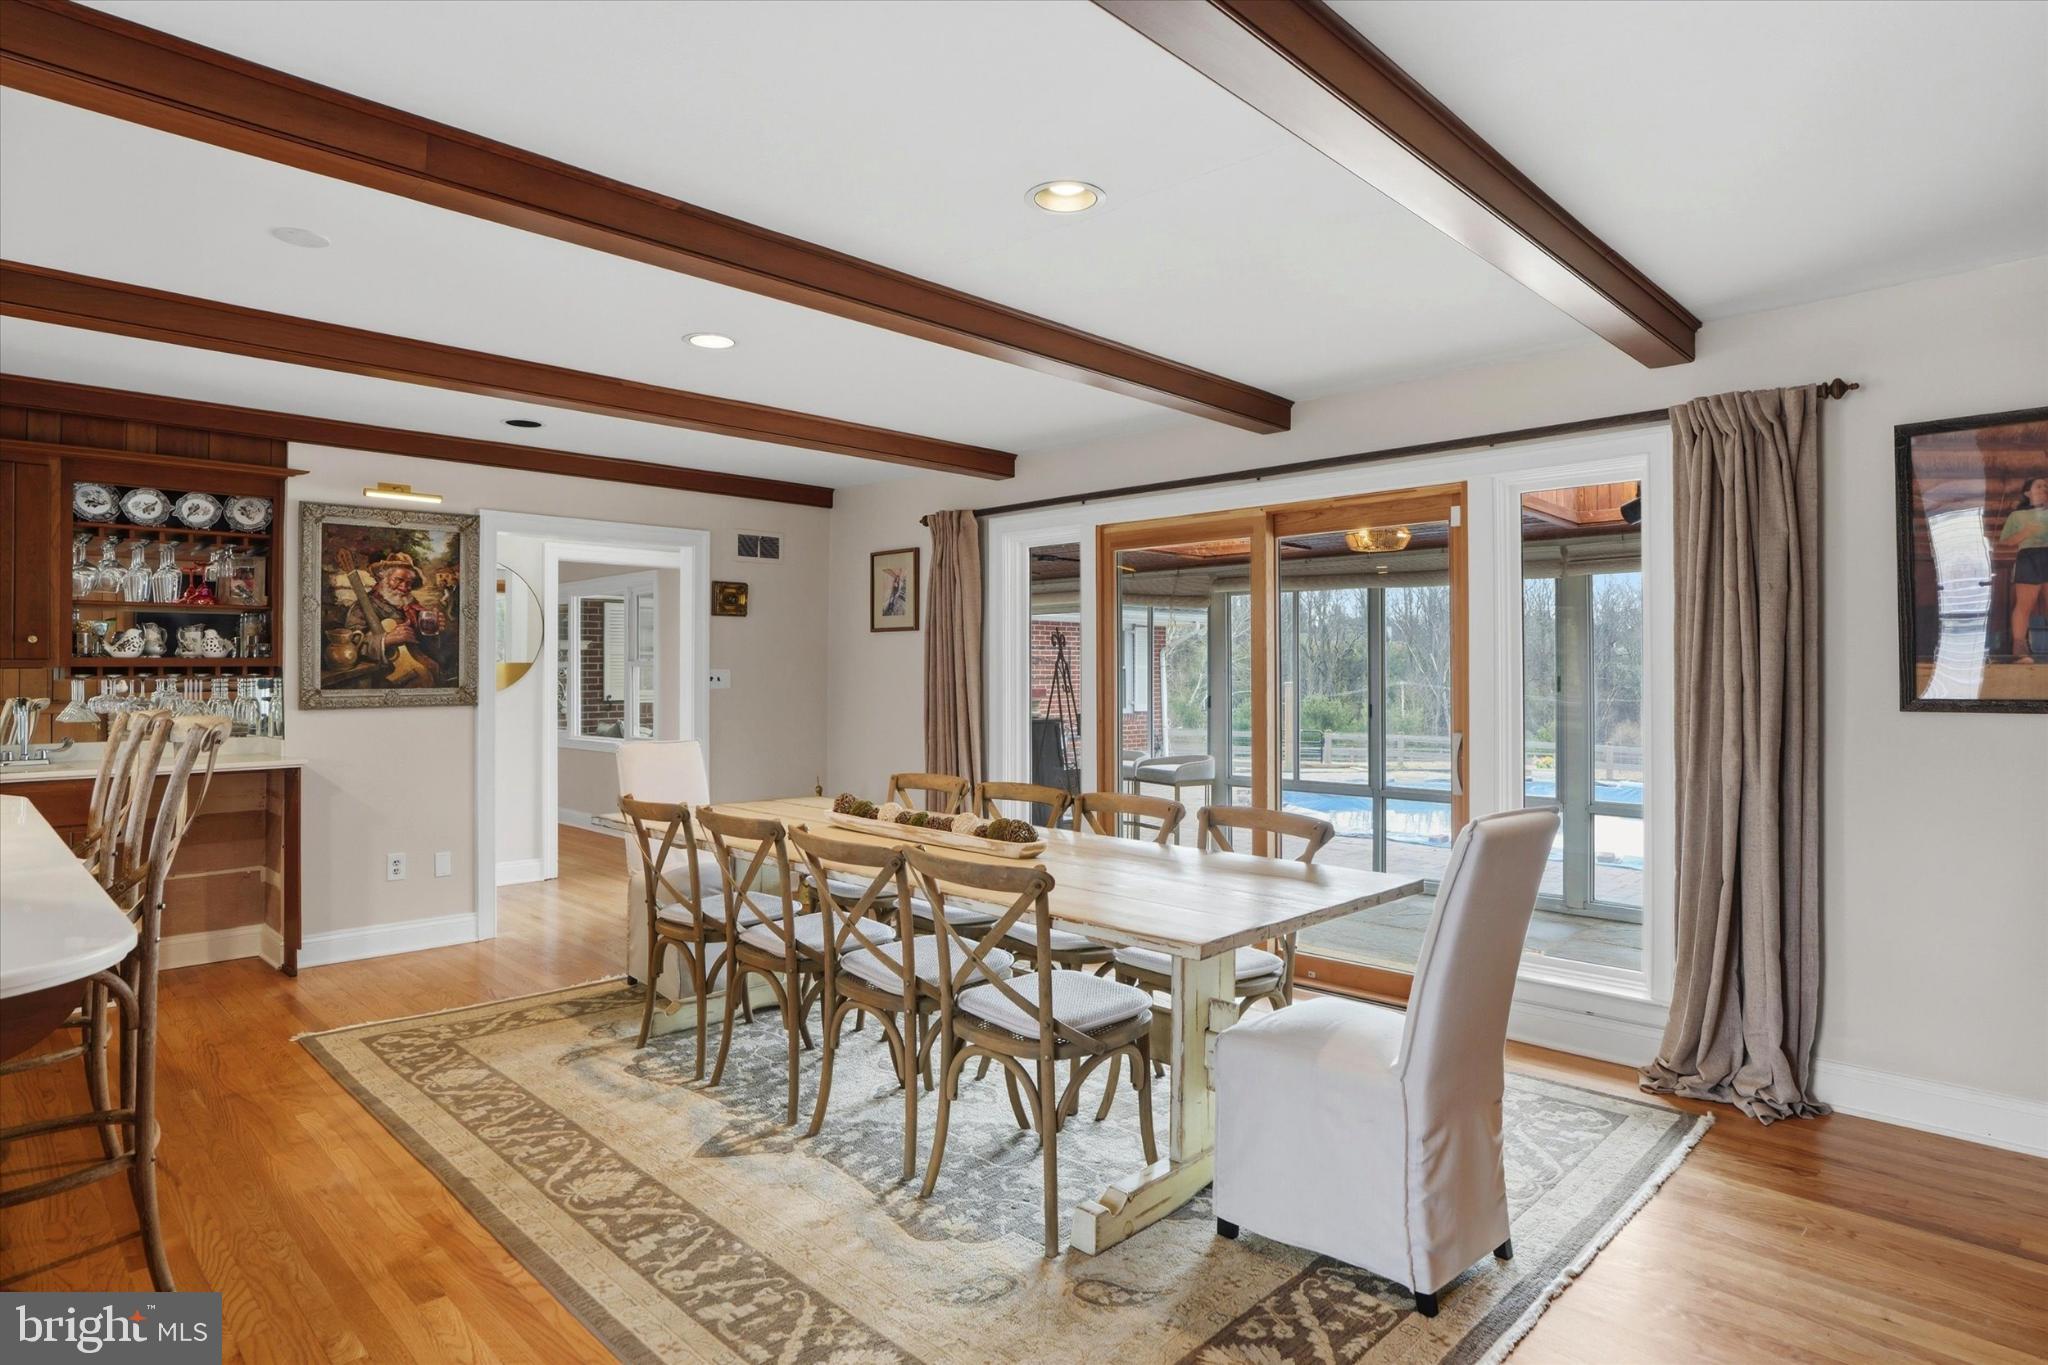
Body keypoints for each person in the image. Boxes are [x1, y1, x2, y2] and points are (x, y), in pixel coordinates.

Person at [1999, 474, 2048, 664]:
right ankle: (2019, 649)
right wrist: (2025, 533)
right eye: (2039, 486)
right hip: (2029, 556)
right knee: (2024, 605)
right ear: (2027, 492)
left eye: (2045, 487)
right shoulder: (2017, 515)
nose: (2044, 489)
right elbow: (2005, 542)